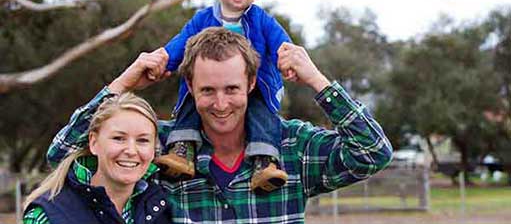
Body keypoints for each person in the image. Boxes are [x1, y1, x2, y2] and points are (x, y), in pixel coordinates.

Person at [47, 27, 393, 223]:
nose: (221, 104)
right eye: (207, 91)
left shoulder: (292, 147)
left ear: (252, 83)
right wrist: (123, 83)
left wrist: (317, 81)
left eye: (232, 89)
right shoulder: (164, 149)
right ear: (190, 88)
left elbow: (373, 152)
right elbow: (61, 153)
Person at [159, 0, 291, 193]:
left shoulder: (262, 20)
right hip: (209, 83)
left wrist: (288, 58)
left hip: (256, 86)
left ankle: (264, 163)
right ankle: (181, 151)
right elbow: (180, 43)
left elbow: (281, 43)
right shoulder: (203, 19)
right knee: (191, 104)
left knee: (262, 116)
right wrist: (163, 60)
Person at [23, 93, 172, 224]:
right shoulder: (46, 215)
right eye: (118, 138)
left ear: (154, 149)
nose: (131, 151)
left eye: (143, 140)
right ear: (93, 142)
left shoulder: (164, 207)